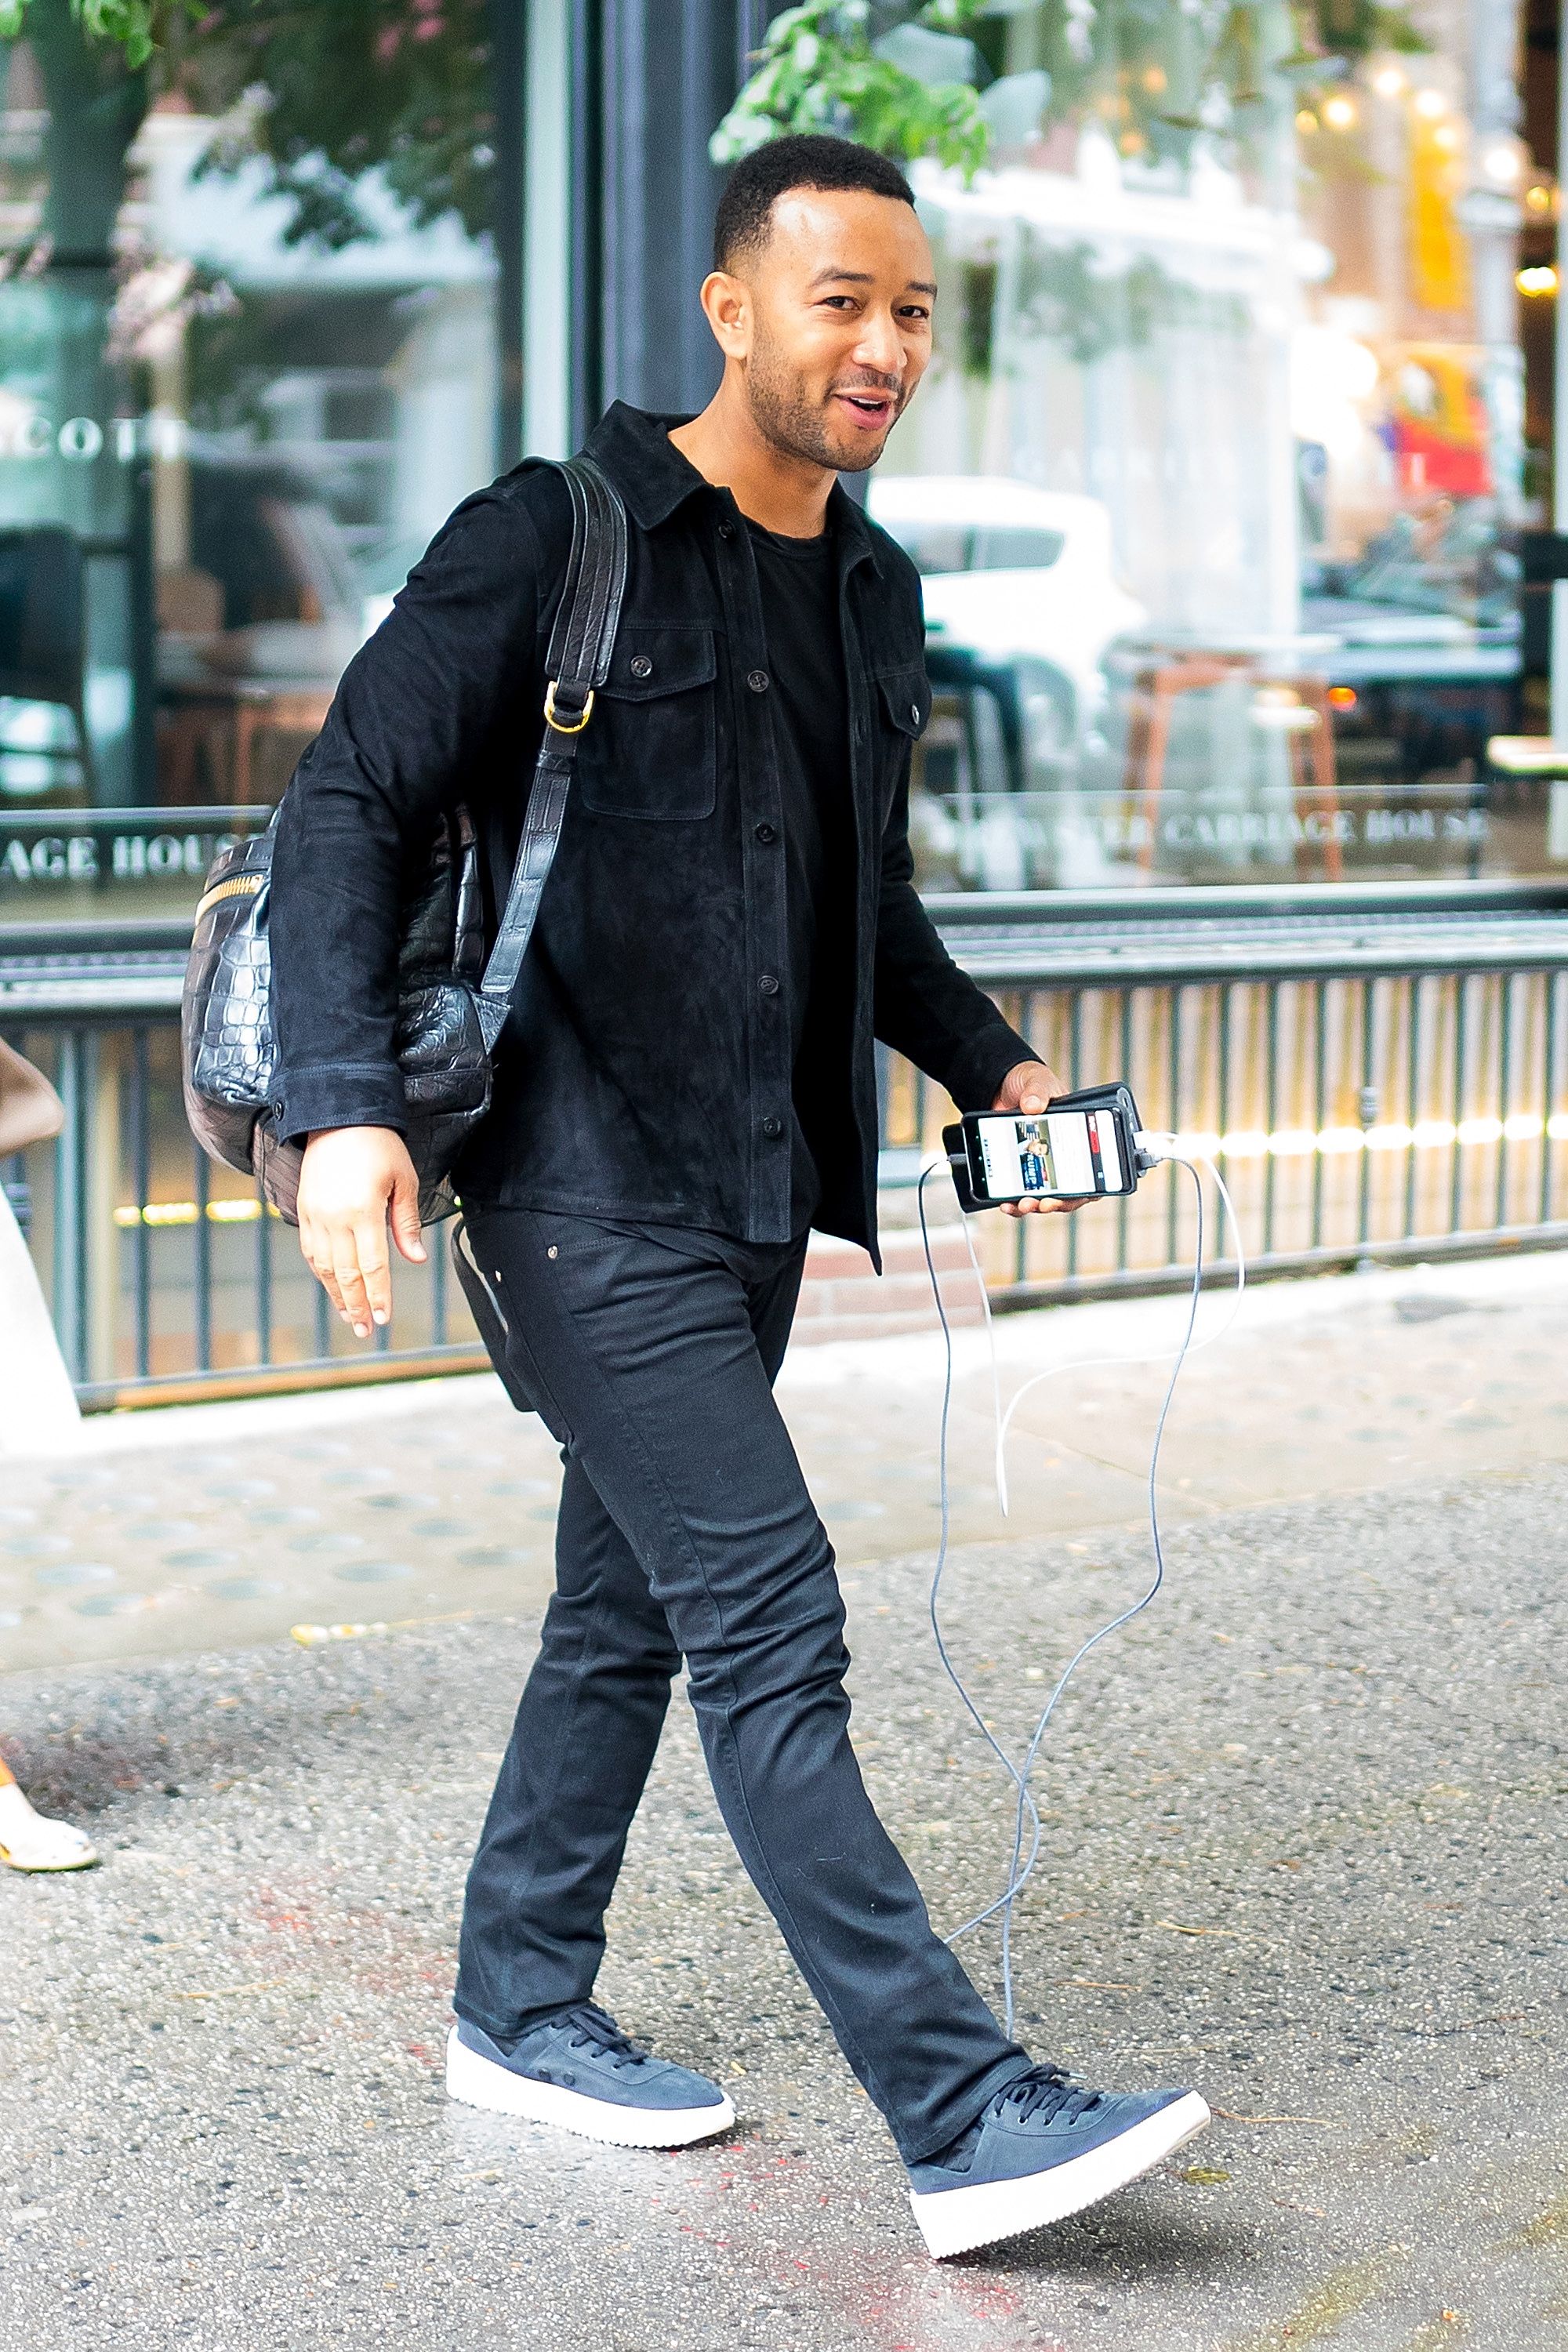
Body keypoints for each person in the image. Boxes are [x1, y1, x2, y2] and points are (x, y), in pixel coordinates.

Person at [269, 133, 1209, 2259]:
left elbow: (868, 914)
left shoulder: (871, 590)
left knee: (629, 1613)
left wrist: (1001, 1070)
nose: (883, 347)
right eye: (841, 303)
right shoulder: (555, 539)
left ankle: (517, 2001)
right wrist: (349, 1109)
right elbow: (347, 804)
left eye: (915, 314)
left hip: (756, 1193)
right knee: (771, 1616)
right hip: (567, 1179)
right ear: (732, 310)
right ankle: (963, 2113)